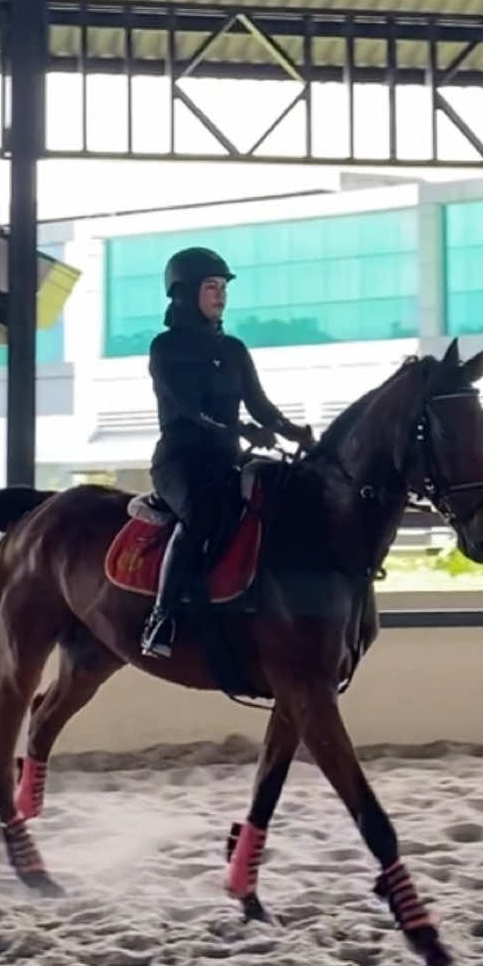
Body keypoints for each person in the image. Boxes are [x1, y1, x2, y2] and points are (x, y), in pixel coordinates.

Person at [140, 246, 314, 657]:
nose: (220, 295)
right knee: (200, 516)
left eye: (222, 288)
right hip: (181, 461)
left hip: (225, 459)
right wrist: (242, 429)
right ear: (185, 293)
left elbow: (260, 405)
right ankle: (161, 619)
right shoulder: (165, 348)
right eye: (211, 287)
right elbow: (190, 408)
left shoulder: (234, 349)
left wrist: (294, 432)